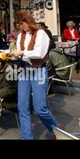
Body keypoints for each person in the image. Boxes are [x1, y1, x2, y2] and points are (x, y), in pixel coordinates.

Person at [13, 11, 58, 140]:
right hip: (24, 70)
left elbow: (39, 53)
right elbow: (19, 53)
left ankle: (56, 129)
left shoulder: (41, 34)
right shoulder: (20, 36)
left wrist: (21, 52)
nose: (20, 27)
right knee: (22, 106)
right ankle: (26, 137)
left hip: (38, 70)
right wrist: (14, 55)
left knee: (40, 108)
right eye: (19, 24)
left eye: (22, 23)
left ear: (28, 22)